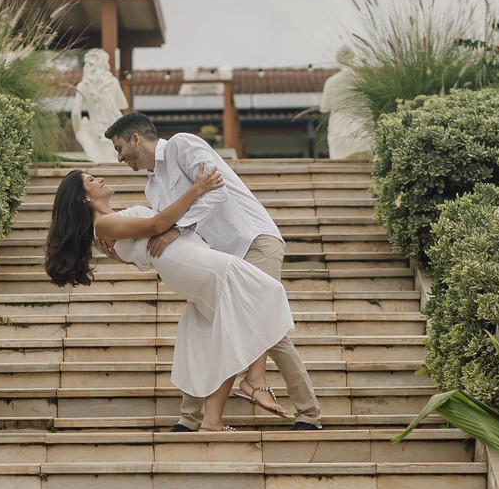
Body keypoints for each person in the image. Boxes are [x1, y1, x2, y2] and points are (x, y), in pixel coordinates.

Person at [102, 111, 323, 432]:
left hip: (252, 240)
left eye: (120, 148)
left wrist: (176, 227)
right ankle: (190, 419)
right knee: (206, 331)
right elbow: (167, 231)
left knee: (268, 328)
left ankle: (309, 415)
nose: (120, 158)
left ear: (136, 139)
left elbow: (217, 190)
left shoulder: (182, 146)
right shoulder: (153, 189)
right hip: (220, 259)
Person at [45, 167, 294, 432]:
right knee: (265, 291)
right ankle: (254, 380)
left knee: (227, 323)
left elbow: (142, 250)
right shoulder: (104, 224)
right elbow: (156, 225)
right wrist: (197, 189)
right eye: (91, 180)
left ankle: (212, 421)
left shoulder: (110, 222)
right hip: (185, 259)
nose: (100, 179)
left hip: (185, 258)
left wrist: (121, 255)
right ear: (84, 198)